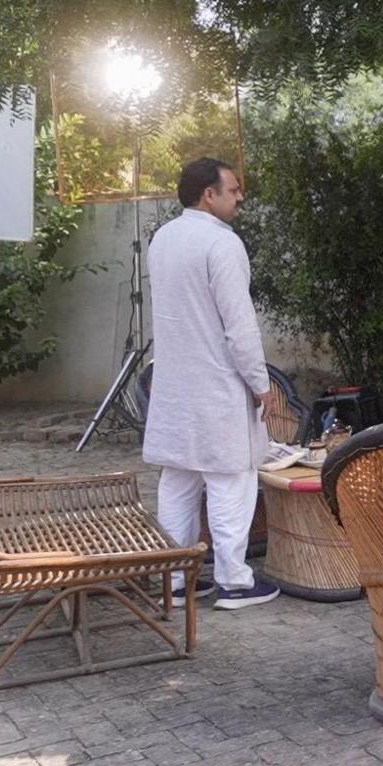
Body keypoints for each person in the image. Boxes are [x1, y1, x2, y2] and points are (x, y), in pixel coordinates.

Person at [142, 158, 280, 611]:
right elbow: (239, 326)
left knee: (179, 478)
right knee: (230, 479)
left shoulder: (163, 239)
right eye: (234, 189)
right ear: (209, 194)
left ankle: (177, 581)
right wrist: (260, 383)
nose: (240, 196)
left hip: (174, 383)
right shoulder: (222, 243)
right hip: (217, 384)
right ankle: (235, 582)